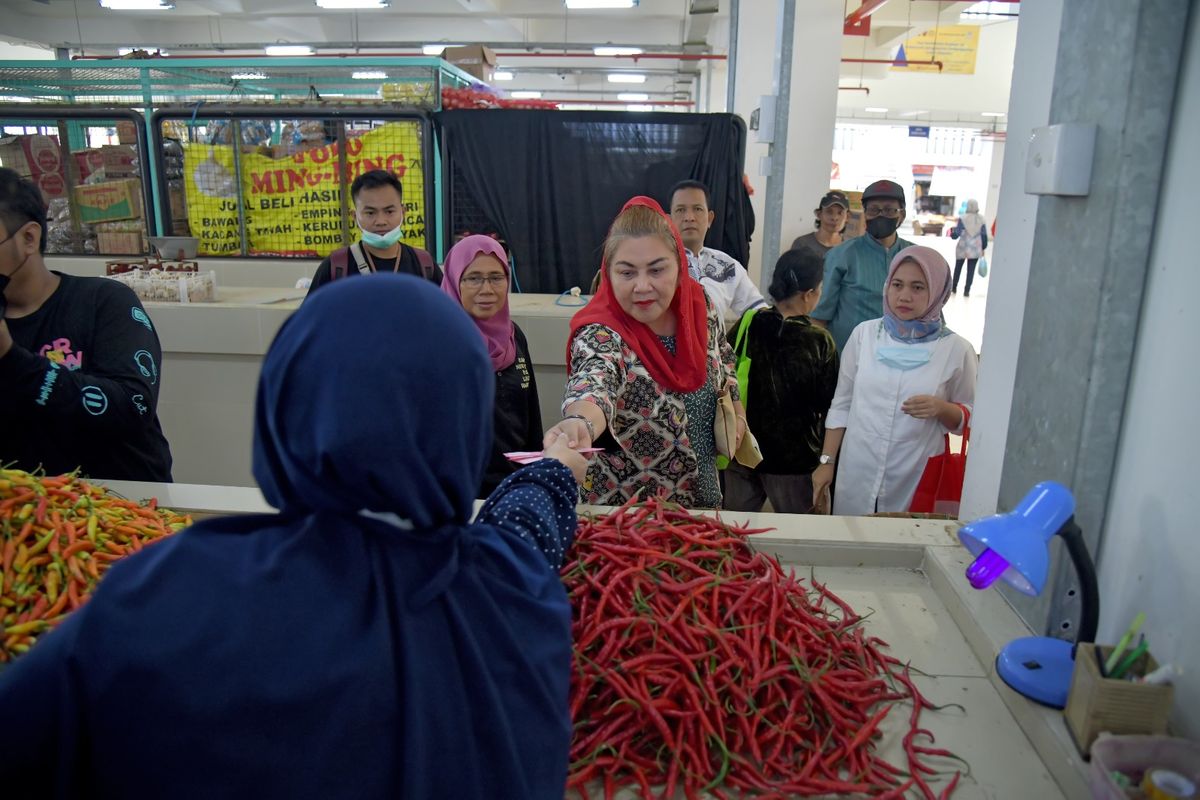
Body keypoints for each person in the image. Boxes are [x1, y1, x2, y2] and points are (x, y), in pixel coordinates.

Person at [0, 274, 587, 799]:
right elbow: (525, 526)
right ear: (464, 420)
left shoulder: (168, 591)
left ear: (285, 407)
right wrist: (557, 466)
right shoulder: (512, 593)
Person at [546, 196, 744, 509]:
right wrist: (580, 425)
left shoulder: (698, 305)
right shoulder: (602, 332)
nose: (642, 286)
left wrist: (736, 404)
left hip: (701, 500)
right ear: (608, 275)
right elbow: (594, 381)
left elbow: (724, 356)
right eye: (627, 273)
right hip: (628, 522)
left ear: (679, 266)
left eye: (656, 270)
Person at [0, 167, 172, 482]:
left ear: (28, 238)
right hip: (23, 514)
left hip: (120, 511)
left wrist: (11, 359)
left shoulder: (103, 303)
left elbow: (133, 407)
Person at [812, 246, 977, 516]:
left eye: (918, 287)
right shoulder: (864, 335)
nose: (904, 296)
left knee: (905, 545)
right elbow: (842, 403)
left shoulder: (957, 350)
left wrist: (942, 408)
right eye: (897, 285)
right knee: (853, 543)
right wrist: (826, 462)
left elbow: (971, 419)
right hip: (857, 467)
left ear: (938, 293)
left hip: (917, 470)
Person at [723, 248, 839, 514]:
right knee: (802, 538)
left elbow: (722, 368)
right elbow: (830, 402)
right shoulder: (820, 341)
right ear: (810, 294)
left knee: (736, 532)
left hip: (743, 451)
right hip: (795, 463)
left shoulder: (749, 323)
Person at [441, 234, 542, 496]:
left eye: (496, 277)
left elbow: (531, 416)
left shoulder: (513, 336)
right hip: (457, 492)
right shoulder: (437, 343)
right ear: (454, 281)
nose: (487, 289)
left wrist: (535, 477)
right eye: (473, 278)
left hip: (514, 486)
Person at [811, 179, 915, 352]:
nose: (881, 215)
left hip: (900, 362)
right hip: (848, 361)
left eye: (889, 210)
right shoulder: (841, 256)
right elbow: (819, 319)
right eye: (874, 210)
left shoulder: (915, 257)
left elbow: (932, 317)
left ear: (902, 215)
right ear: (865, 214)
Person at [306, 169, 442, 295]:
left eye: (389, 211)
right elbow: (310, 318)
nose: (381, 221)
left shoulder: (425, 265)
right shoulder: (336, 266)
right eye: (370, 213)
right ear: (355, 216)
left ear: (403, 212)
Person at [669, 179, 766, 325]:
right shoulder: (655, 264)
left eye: (697, 209)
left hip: (713, 346)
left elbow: (759, 314)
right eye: (680, 210)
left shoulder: (727, 266)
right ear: (669, 220)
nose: (689, 217)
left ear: (710, 219)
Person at [789, 190, 849, 259]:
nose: (834, 218)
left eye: (840, 213)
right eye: (829, 211)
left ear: (847, 217)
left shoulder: (850, 249)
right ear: (819, 214)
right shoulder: (801, 244)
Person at [951, 198, 989, 297]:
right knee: (971, 270)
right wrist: (983, 247)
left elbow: (957, 233)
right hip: (975, 248)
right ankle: (967, 291)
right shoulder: (981, 219)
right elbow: (984, 235)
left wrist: (953, 234)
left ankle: (954, 287)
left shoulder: (963, 218)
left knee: (958, 268)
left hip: (963, 247)